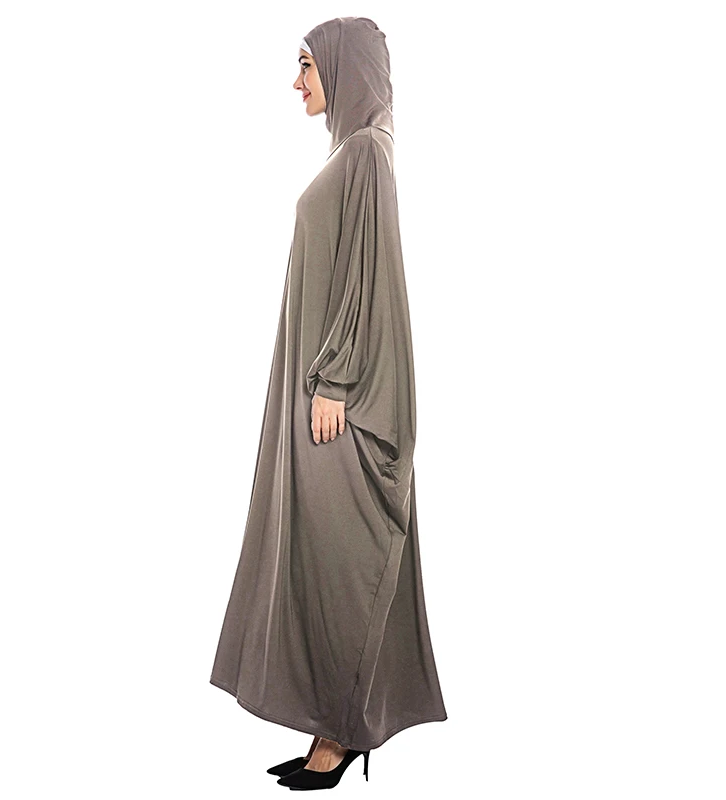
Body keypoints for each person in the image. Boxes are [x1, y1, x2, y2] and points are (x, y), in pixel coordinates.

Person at [209, 17, 447, 790]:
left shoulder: (368, 152)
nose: (297, 82)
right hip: (318, 394)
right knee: (316, 562)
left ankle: (340, 734)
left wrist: (336, 379)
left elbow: (368, 274)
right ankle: (333, 723)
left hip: (339, 403)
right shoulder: (351, 154)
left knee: (341, 565)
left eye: (307, 65)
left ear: (345, 69)